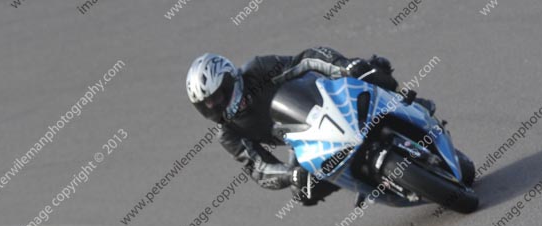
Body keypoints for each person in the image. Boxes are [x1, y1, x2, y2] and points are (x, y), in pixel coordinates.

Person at [185, 47, 438, 205]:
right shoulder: (229, 133)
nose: (215, 106)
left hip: (325, 100)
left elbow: (305, 60)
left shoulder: (257, 70)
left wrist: (344, 65)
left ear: (231, 79)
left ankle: (410, 105)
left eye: (217, 97)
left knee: (370, 69)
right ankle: (374, 182)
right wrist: (290, 174)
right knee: (304, 192)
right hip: (302, 142)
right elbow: (259, 169)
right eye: (206, 105)